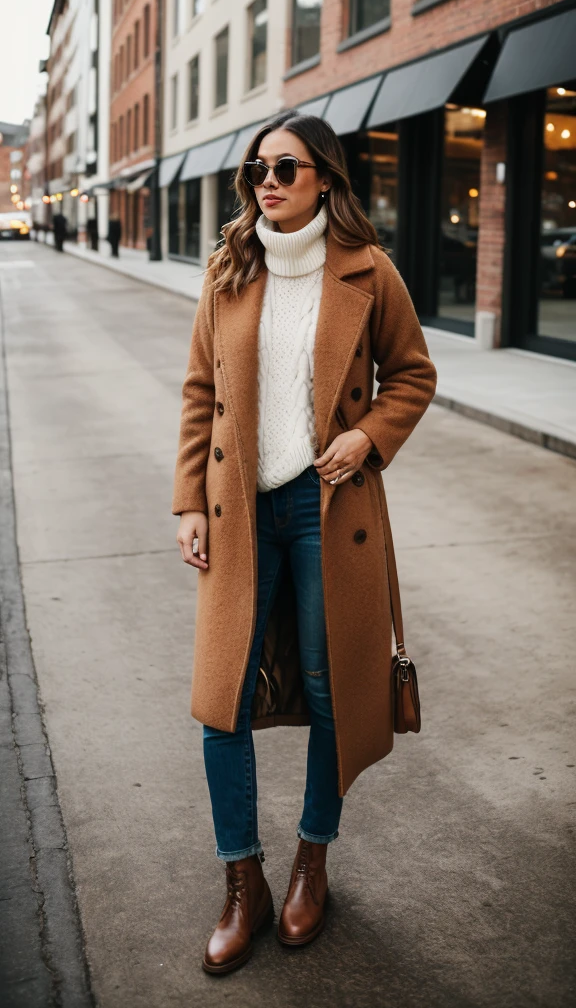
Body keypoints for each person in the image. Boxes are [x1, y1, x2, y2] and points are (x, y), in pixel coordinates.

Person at [172, 110, 437, 975]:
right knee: (222, 703)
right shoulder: (229, 269)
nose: (268, 182)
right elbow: (200, 392)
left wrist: (369, 437)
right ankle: (240, 877)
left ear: (325, 175)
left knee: (333, 693)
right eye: (257, 170)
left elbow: (413, 374)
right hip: (241, 512)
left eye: (285, 168)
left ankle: (311, 858)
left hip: (328, 512)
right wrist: (189, 504)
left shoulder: (369, 272)